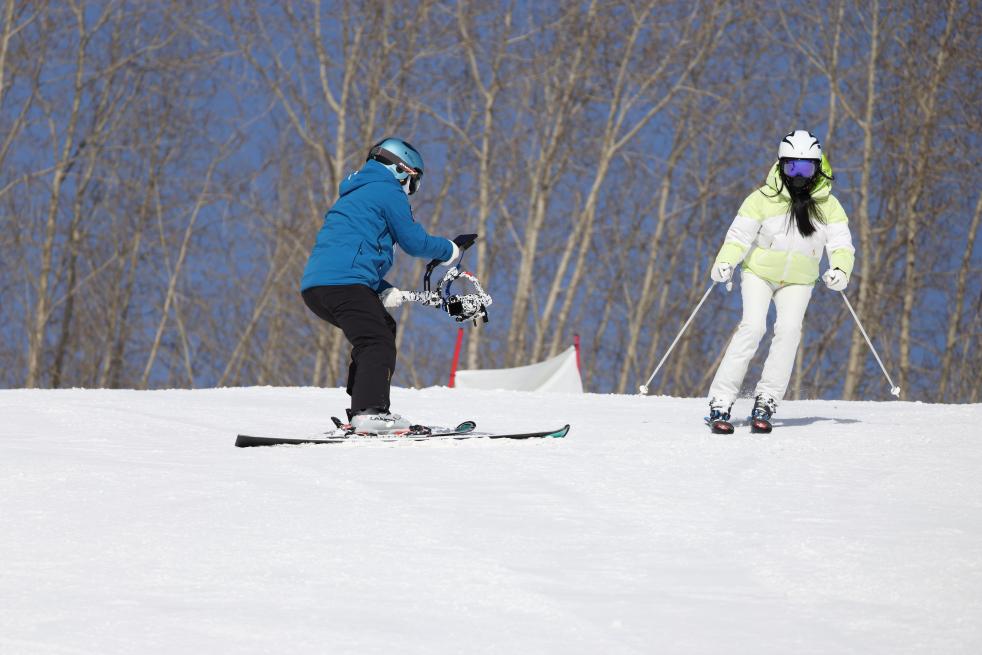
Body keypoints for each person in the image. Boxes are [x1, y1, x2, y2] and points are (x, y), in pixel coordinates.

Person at [301, 137, 462, 433]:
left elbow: (349, 252)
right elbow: (414, 241)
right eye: (414, 182)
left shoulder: (355, 195)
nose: (411, 190)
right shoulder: (387, 190)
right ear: (401, 169)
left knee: (379, 329)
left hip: (318, 287)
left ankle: (361, 409)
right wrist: (450, 250)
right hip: (345, 284)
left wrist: (382, 288)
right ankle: (370, 412)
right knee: (376, 339)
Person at [706, 129, 855, 431]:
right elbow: (739, 236)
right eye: (792, 167)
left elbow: (841, 244)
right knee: (753, 327)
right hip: (759, 274)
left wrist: (840, 270)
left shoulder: (828, 206)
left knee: (788, 331)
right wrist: (725, 262)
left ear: (817, 168)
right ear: (781, 166)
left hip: (799, 281)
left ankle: (767, 400)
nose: (798, 176)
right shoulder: (762, 199)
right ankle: (721, 400)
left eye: (806, 169)